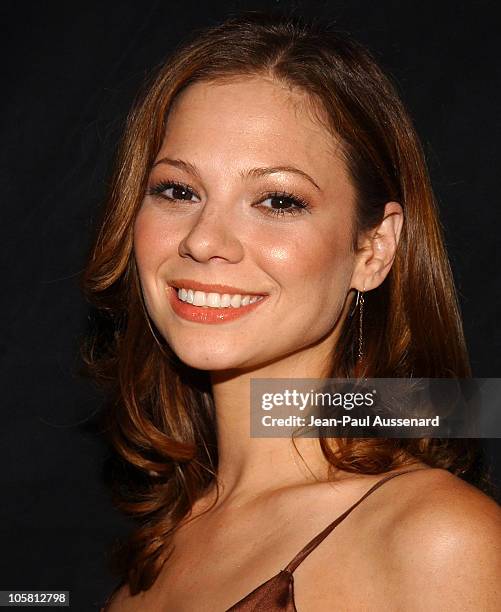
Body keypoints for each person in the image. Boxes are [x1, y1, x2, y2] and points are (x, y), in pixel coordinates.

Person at [81, 9, 501, 611]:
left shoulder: (436, 539)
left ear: (373, 249)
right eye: (177, 190)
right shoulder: (148, 566)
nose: (203, 240)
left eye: (277, 200)